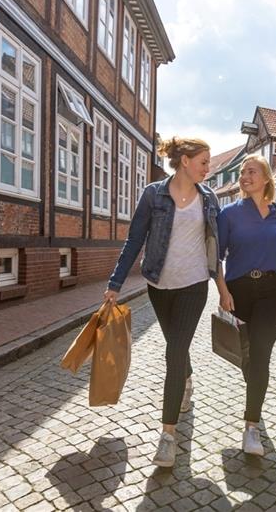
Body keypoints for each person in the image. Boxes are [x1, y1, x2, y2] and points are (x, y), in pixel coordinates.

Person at [104, 137, 219, 468]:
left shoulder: (209, 198)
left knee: (173, 352)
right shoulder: (154, 194)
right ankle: (187, 377)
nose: (208, 168)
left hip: (194, 285)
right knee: (176, 346)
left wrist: (222, 286)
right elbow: (134, 240)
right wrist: (115, 283)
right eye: (204, 162)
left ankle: (167, 436)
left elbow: (216, 243)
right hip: (158, 284)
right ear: (185, 160)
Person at [216, 155, 276, 457]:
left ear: (267, 178)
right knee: (247, 356)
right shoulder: (229, 214)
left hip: (274, 291)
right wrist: (222, 291)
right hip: (239, 291)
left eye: (251, 172)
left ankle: (251, 427)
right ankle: (255, 399)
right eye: (243, 172)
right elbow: (215, 257)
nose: (244, 176)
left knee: (260, 352)